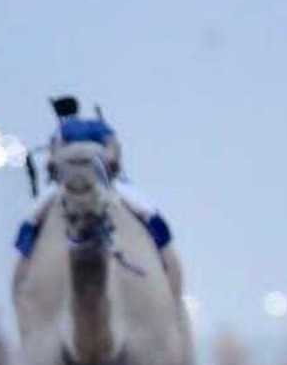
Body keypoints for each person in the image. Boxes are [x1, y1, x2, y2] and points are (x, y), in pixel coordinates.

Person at [14, 96, 182, 298]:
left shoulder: (61, 134)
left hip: (86, 186)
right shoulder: (98, 127)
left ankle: (23, 267)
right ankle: (164, 258)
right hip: (107, 185)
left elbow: (52, 164)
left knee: (32, 218)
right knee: (149, 213)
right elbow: (114, 152)